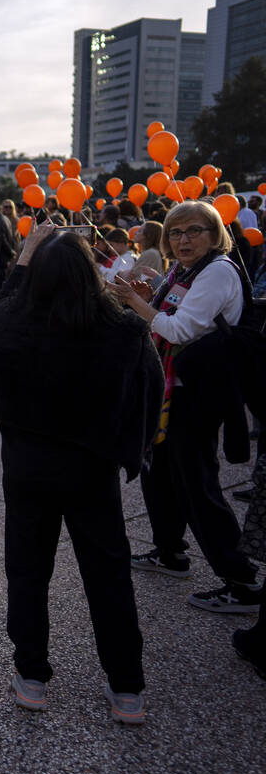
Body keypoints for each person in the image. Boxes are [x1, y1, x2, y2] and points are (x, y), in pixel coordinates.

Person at [0, 221, 164, 726]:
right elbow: (150, 389)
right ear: (90, 273)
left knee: (28, 571)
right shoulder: (120, 329)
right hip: (90, 466)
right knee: (108, 575)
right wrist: (131, 450)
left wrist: (24, 259)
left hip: (27, 465)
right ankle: (126, 688)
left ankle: (31, 676)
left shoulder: (9, 323)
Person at [111, 200, 260, 613]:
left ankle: (241, 581)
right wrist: (148, 298)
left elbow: (179, 329)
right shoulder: (182, 271)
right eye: (176, 233)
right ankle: (170, 551)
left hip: (197, 393)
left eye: (194, 231)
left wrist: (137, 304)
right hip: (168, 390)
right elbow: (166, 314)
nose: (183, 240)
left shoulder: (217, 271)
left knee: (197, 483)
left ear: (214, 234)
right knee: (158, 474)